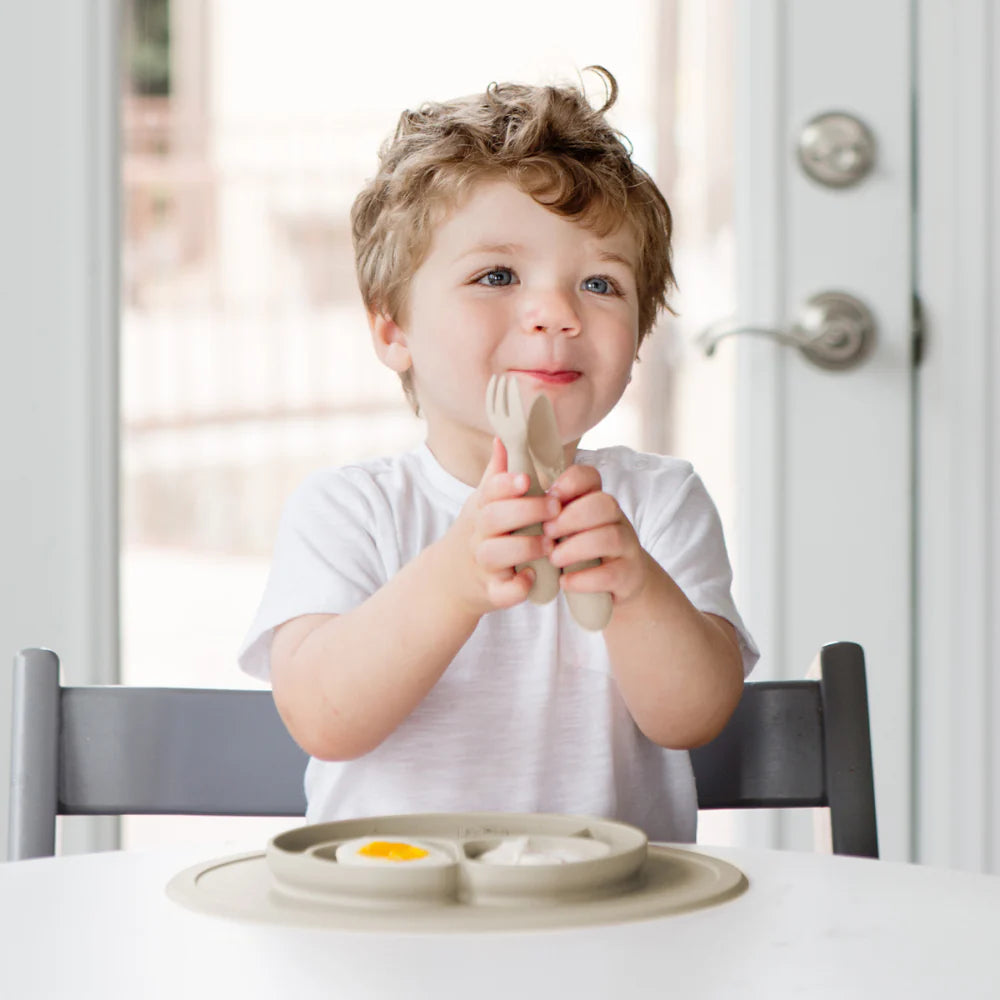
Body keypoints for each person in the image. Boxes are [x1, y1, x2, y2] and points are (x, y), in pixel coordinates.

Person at [239, 67, 758, 842]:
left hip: (611, 921)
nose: (555, 312)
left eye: (600, 284)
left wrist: (637, 588)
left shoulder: (657, 503)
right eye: (497, 275)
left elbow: (695, 718)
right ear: (393, 331)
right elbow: (323, 717)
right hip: (394, 922)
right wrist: (452, 580)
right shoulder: (352, 510)